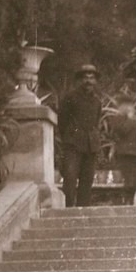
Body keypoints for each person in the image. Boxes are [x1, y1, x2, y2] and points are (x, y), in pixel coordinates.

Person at [56, 63, 105, 207]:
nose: (88, 81)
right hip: (73, 143)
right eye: (85, 78)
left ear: (95, 81)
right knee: (70, 178)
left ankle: (83, 209)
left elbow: (96, 121)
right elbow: (62, 121)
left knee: (87, 179)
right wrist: (70, 136)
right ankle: (68, 210)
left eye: (91, 78)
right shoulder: (70, 97)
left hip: (91, 145)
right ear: (80, 80)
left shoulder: (97, 101)